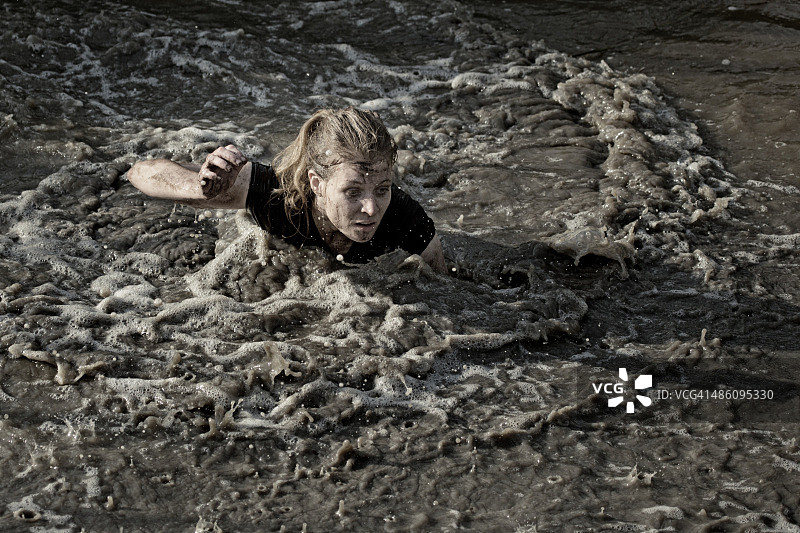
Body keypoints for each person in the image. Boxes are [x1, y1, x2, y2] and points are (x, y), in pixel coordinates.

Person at [128, 107, 447, 273]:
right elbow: (140, 172)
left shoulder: (407, 220)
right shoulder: (278, 195)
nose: (372, 209)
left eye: (382, 190)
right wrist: (199, 189)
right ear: (317, 184)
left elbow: (446, 291)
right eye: (352, 192)